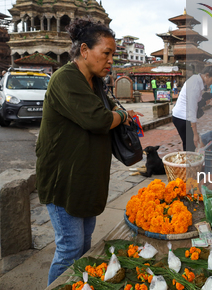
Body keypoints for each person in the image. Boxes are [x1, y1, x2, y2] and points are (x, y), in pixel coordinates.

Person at [36, 19, 141, 286]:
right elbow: (98, 120)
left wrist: (115, 115)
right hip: (65, 181)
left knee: (84, 246)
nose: (110, 60)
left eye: (112, 55)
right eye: (105, 53)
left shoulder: (95, 82)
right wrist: (120, 114)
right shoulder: (65, 79)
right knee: (69, 248)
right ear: (84, 50)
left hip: (86, 179)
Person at [172, 64, 212, 152]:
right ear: (207, 75)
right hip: (182, 117)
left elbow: (195, 102)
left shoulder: (198, 80)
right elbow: (192, 111)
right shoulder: (195, 84)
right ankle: (188, 164)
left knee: (189, 145)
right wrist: (195, 134)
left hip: (183, 116)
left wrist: (203, 102)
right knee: (190, 146)